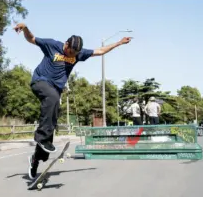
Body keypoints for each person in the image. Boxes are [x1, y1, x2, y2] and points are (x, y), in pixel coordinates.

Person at [13, 23, 132, 179]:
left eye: (74, 54)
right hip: (40, 81)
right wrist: (25, 28)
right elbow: (32, 39)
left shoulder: (78, 54)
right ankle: (41, 138)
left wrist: (119, 43)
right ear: (66, 44)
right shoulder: (52, 45)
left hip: (55, 90)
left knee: (53, 116)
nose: (71, 55)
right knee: (53, 98)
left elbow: (101, 51)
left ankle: (36, 159)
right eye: (70, 52)